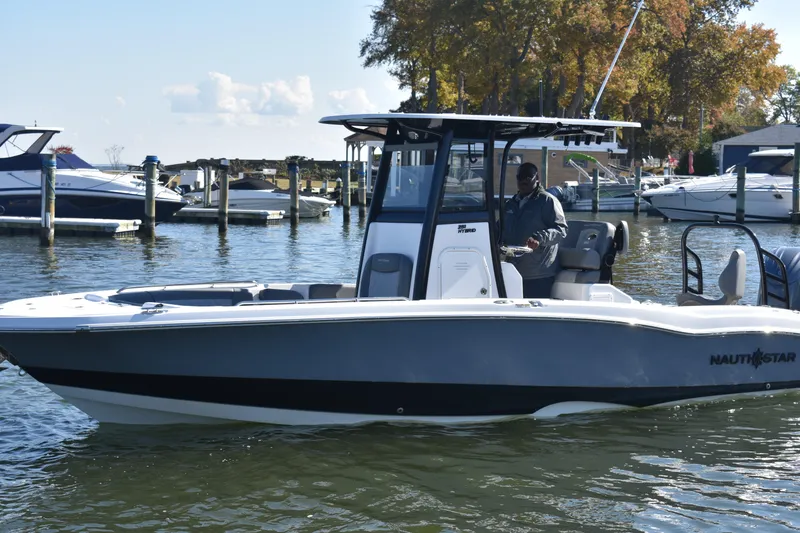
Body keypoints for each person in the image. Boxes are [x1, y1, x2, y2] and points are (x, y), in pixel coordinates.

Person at [502, 162, 568, 298]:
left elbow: (561, 230)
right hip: (512, 271)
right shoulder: (510, 204)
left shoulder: (548, 201)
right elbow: (499, 229)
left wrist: (539, 238)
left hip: (538, 274)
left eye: (528, 176)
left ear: (537, 178)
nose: (523, 180)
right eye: (520, 177)